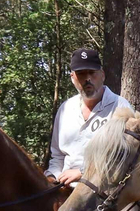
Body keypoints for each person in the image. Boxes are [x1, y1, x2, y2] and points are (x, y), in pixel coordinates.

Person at [47, 46, 134, 185]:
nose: (88, 78)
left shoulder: (121, 108)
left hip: (104, 194)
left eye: (92, 73)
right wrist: (52, 178)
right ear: (72, 78)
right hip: (65, 190)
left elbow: (126, 157)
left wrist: (83, 172)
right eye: (81, 73)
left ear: (102, 75)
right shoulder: (65, 109)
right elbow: (57, 156)